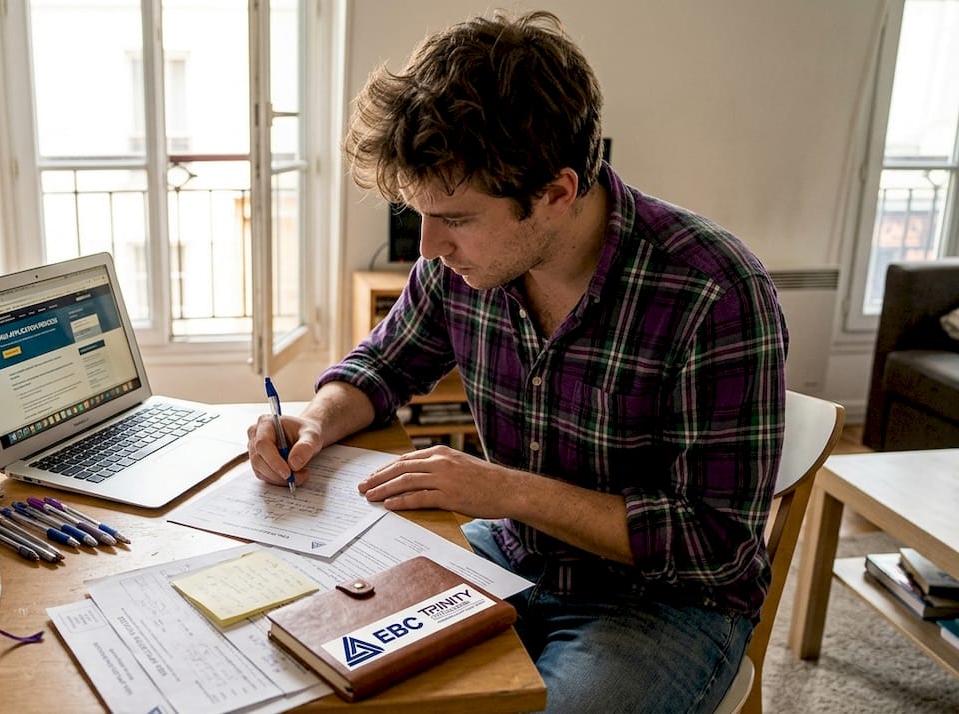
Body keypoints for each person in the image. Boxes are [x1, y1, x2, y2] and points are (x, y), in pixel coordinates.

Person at [246, 9, 788, 714]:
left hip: (662, 602)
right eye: (419, 214)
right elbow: (383, 365)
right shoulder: (461, 267)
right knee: (311, 649)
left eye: (456, 219)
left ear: (556, 194)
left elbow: (714, 544)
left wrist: (504, 491)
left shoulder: (713, 291)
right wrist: (316, 420)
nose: (429, 247)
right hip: (512, 554)